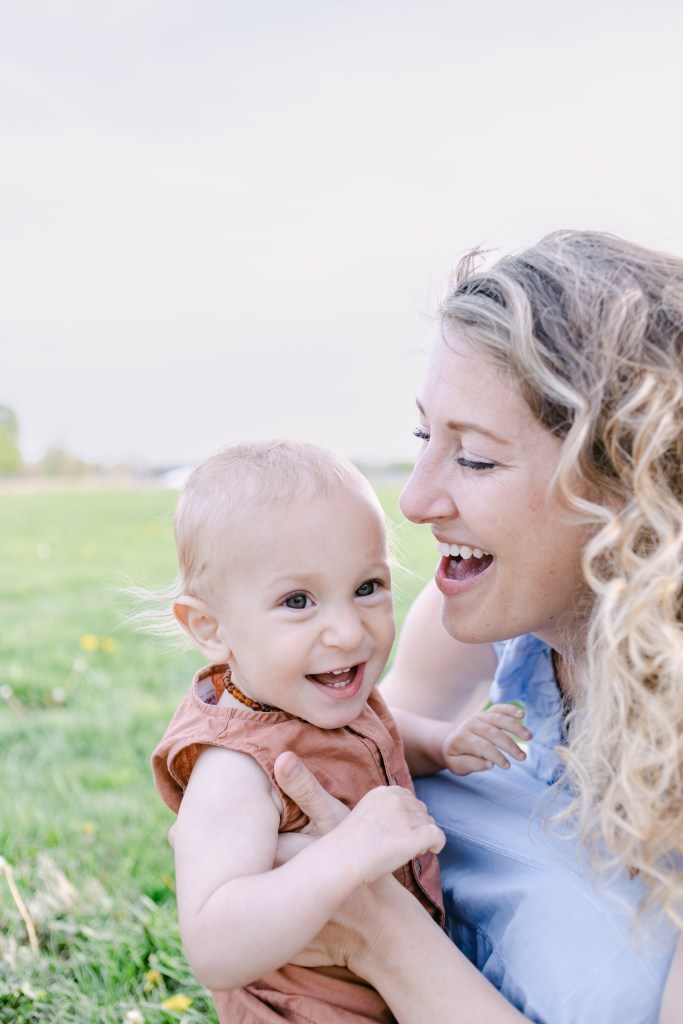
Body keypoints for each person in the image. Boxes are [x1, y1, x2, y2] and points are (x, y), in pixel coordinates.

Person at [269, 230, 683, 1024]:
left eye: (477, 460)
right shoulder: (487, 623)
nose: (416, 501)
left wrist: (379, 938)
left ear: (624, 488)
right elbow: (338, 775)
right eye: (427, 438)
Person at [151, 439, 530, 1024]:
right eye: (298, 601)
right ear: (210, 627)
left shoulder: (320, 697)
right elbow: (213, 946)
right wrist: (347, 856)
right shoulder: (234, 768)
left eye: (367, 588)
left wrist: (442, 745)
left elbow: (381, 731)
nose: (349, 633)